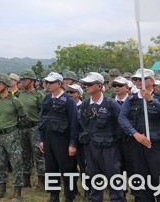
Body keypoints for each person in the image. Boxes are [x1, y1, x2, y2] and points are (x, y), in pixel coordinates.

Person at [118, 68, 160, 202]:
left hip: (156, 145)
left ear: (152, 81)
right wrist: (135, 134)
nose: (138, 81)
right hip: (137, 145)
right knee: (141, 180)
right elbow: (122, 118)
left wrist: (151, 100)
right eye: (136, 79)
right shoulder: (131, 99)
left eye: (142, 79)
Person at [78, 72, 124, 202]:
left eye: (89, 84)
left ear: (99, 85)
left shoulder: (111, 103)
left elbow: (120, 124)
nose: (86, 86)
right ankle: (95, 198)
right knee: (93, 173)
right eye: (85, 84)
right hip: (91, 145)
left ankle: (117, 199)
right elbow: (81, 122)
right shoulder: (85, 104)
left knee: (113, 173)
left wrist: (113, 140)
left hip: (109, 146)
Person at [38, 72, 79, 202]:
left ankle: (69, 196)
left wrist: (72, 143)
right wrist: (41, 140)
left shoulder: (68, 100)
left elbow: (74, 122)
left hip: (63, 140)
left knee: (67, 169)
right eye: (46, 82)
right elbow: (42, 120)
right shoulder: (46, 98)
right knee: (51, 168)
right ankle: (53, 196)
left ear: (59, 83)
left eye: (51, 82)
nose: (47, 85)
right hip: (48, 139)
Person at [0, 73, 26, 201]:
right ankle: (1, 189)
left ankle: (17, 192)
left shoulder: (15, 101)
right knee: (0, 163)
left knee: (16, 163)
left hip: (12, 135)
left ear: (6, 86)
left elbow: (23, 118)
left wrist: (14, 131)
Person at [16, 69, 45, 188]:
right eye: (21, 79)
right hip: (22, 128)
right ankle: (26, 180)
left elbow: (43, 113)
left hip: (35, 128)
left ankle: (41, 181)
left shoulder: (39, 95)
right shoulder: (19, 94)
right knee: (24, 154)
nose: (22, 82)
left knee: (38, 154)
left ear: (32, 81)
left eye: (25, 79)